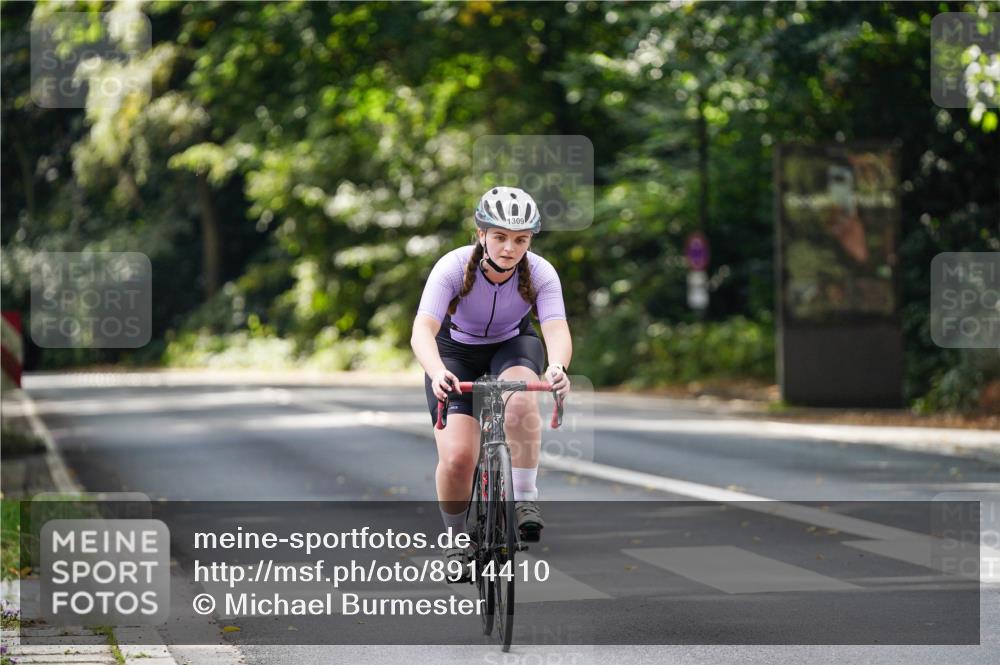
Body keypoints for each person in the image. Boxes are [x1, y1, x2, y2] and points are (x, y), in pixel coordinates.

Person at [410, 186, 572, 581]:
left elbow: (556, 328)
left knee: (520, 402)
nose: (509, 248)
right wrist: (437, 371)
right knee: (458, 459)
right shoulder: (452, 267)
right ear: (481, 234)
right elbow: (422, 330)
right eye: (500, 237)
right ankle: (455, 540)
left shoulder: (541, 273)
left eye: (521, 240)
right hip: (455, 354)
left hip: (512, 346)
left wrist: (557, 367)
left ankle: (525, 498)